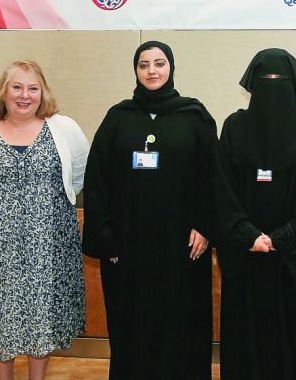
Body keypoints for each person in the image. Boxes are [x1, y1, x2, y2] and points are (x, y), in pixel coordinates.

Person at [81, 41, 217, 380]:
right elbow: (97, 181)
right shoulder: (118, 117)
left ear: (171, 67)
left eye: (159, 63)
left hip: (182, 248)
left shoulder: (195, 115)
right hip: (129, 250)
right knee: (133, 325)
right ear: (136, 70)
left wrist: (205, 226)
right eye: (144, 65)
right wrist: (106, 240)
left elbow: (213, 178)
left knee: (181, 323)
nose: (152, 71)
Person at [0, 60, 90, 379]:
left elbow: (80, 174)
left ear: (43, 93)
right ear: (4, 91)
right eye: (17, 86)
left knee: (42, 317)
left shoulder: (64, 128)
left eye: (32, 87)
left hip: (48, 248)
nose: (24, 95)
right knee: (0, 320)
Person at [214, 49, 296, 379]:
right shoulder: (235, 127)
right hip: (247, 256)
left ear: (294, 87)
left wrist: (285, 237)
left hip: (295, 260)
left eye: (281, 81)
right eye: (266, 81)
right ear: (253, 85)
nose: (273, 87)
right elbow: (222, 187)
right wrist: (246, 234)